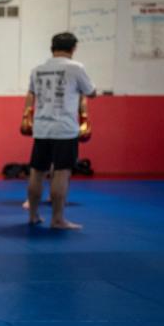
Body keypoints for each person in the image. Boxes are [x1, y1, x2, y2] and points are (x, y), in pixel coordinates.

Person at [23, 32, 96, 229]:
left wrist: (26, 117)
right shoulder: (76, 68)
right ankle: (57, 219)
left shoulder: (37, 70)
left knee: (37, 172)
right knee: (61, 173)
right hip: (64, 129)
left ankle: (32, 215)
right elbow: (91, 92)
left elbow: (31, 94)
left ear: (52, 48)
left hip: (41, 127)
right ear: (73, 49)